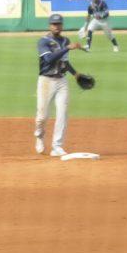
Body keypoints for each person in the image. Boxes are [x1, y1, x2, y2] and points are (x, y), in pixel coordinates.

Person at [34, 13, 83, 156]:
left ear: (62, 25)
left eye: (59, 24)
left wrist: (75, 74)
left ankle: (57, 146)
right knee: (42, 116)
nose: (57, 26)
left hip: (62, 80)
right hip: (46, 81)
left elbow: (64, 62)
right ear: (50, 26)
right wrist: (67, 48)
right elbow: (49, 59)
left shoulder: (65, 40)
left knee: (62, 112)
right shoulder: (43, 42)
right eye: (54, 24)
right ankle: (39, 135)